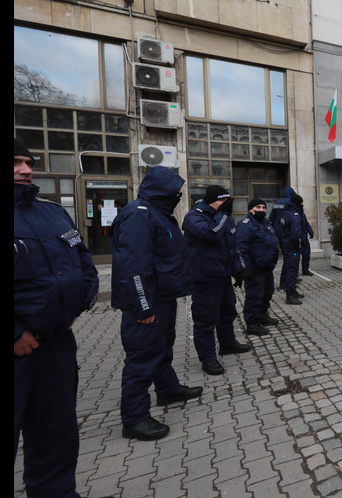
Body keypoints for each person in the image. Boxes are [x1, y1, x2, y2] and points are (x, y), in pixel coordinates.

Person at [14, 138, 99, 496]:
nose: (25, 169)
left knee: (56, 434)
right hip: (17, 348)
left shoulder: (52, 212)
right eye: (15, 163)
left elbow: (83, 262)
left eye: (28, 162)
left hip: (55, 346)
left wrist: (76, 307)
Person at [110, 164, 203, 440]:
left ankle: (168, 390)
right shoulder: (139, 216)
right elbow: (133, 267)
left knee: (161, 349)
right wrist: (143, 306)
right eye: (175, 190)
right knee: (141, 359)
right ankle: (135, 419)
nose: (178, 194)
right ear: (162, 190)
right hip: (147, 303)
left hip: (163, 297)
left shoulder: (158, 214)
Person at [183, 186, 251, 376]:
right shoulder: (194, 217)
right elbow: (210, 234)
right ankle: (208, 358)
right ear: (211, 200)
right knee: (205, 320)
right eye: (222, 201)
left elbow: (233, 245)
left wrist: (238, 270)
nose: (226, 205)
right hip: (204, 277)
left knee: (227, 312)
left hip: (222, 276)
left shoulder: (226, 219)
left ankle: (227, 344)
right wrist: (222, 214)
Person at [235, 198, 280, 336]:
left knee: (267, 293)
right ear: (250, 209)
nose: (261, 210)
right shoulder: (245, 225)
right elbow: (240, 248)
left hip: (267, 267)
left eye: (263, 208)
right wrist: (244, 268)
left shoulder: (266, 224)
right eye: (258, 207)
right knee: (254, 296)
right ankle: (252, 323)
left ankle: (262, 315)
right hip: (254, 268)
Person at [274, 193, 306, 304]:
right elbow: (296, 233)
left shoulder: (285, 213)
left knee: (289, 267)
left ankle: (292, 290)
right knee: (292, 270)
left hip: (286, 244)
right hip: (293, 246)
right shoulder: (295, 215)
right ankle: (289, 295)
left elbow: (279, 228)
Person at [296, 195, 316, 276]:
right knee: (295, 256)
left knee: (306, 254)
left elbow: (306, 223)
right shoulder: (291, 213)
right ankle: (294, 272)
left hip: (304, 238)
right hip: (296, 239)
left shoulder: (301, 213)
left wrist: (310, 232)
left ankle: (305, 269)